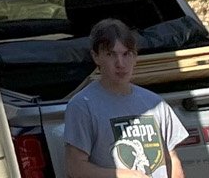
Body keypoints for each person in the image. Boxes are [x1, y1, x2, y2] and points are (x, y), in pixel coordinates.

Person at [63, 18, 188, 178]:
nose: (120, 63)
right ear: (96, 57)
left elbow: (173, 159)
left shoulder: (155, 103)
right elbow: (75, 168)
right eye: (110, 54)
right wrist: (121, 175)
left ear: (135, 57)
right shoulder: (82, 105)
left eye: (126, 54)